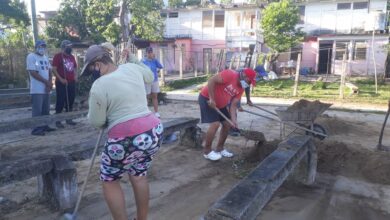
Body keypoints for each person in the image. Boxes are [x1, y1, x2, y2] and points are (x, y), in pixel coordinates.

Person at [81, 45, 163, 220]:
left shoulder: (99, 85)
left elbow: (97, 122)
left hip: (125, 139)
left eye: (91, 69)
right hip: (152, 132)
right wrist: (133, 58)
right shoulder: (131, 68)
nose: (92, 74)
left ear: (98, 63)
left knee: (110, 180)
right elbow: (149, 76)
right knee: (139, 175)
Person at [198, 68, 256, 161]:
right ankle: (207, 151)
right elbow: (211, 80)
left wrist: (234, 121)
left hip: (221, 104)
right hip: (207, 99)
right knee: (215, 124)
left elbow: (233, 105)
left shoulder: (241, 88)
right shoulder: (230, 74)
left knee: (227, 124)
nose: (248, 84)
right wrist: (212, 99)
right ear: (244, 76)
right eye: (249, 81)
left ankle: (219, 149)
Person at [26, 40, 56, 136]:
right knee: (37, 110)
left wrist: (50, 83)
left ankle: (45, 126)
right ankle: (36, 129)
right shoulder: (31, 56)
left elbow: (50, 71)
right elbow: (33, 72)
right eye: (40, 46)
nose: (42, 48)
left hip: (46, 88)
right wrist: (46, 82)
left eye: (43, 46)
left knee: (45, 109)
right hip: (37, 89)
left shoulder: (45, 57)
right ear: (36, 47)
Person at [52, 40, 77, 128]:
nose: (70, 48)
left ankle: (68, 118)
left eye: (71, 46)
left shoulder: (72, 57)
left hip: (71, 82)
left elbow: (74, 68)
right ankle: (58, 120)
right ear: (64, 47)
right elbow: (54, 69)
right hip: (61, 82)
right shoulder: (58, 56)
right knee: (60, 101)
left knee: (70, 100)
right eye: (68, 46)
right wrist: (61, 79)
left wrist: (75, 76)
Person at [142, 47, 163, 118]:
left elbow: (160, 66)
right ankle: (146, 113)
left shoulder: (154, 60)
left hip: (155, 81)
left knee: (154, 96)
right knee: (146, 97)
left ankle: (156, 112)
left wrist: (155, 59)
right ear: (146, 53)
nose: (149, 54)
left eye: (150, 52)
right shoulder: (143, 61)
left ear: (152, 52)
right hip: (147, 81)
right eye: (148, 52)